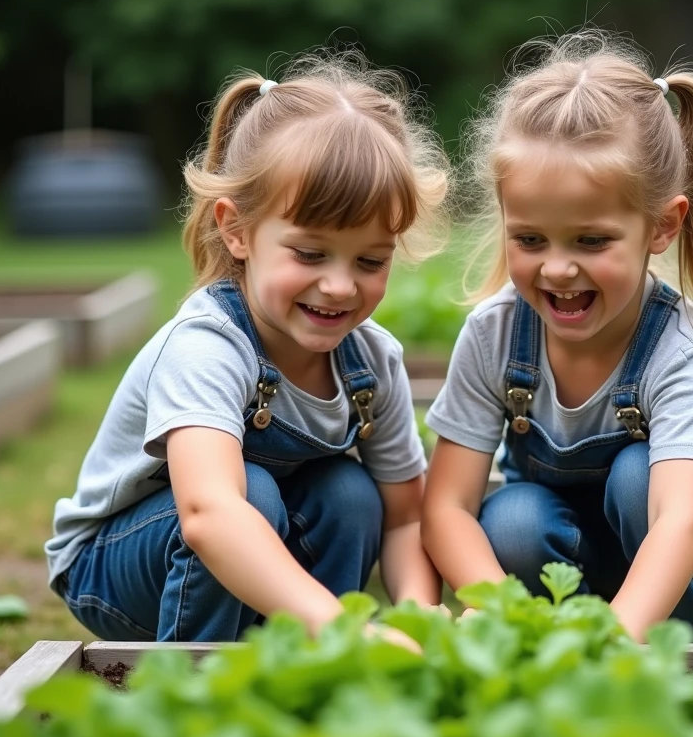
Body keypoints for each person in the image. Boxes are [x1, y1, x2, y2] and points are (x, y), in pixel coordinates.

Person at [45, 51, 450, 642]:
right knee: (249, 494)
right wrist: (346, 628)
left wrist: (418, 612)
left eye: (370, 260)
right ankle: (200, 687)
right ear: (236, 230)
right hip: (118, 567)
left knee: (351, 493)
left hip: (257, 560)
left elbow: (404, 516)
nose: (339, 285)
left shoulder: (372, 363)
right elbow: (209, 515)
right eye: (310, 254)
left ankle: (307, 665)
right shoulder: (207, 346)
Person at [422, 31, 693, 643]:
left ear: (661, 226)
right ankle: (559, 639)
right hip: (565, 533)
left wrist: (617, 639)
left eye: (591, 240)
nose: (557, 269)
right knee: (515, 521)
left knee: (637, 477)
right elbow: (446, 507)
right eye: (530, 240)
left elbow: (680, 520)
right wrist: (498, 608)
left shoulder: (678, 344)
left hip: (676, 526)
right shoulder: (496, 335)